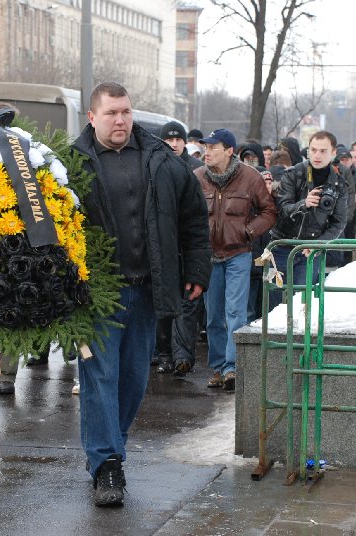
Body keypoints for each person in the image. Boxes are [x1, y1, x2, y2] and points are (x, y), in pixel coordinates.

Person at [71, 82, 211, 507]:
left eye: (126, 112)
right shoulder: (70, 165)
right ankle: (107, 464)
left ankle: (113, 447)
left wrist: (197, 268)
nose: (121, 120)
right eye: (112, 112)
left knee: (133, 380)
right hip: (98, 295)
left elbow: (193, 220)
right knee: (99, 379)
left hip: (147, 289)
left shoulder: (162, 162)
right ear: (92, 117)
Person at [195, 129, 276, 391]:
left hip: (239, 253)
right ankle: (218, 367)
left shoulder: (249, 177)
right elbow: (185, 214)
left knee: (236, 312)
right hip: (209, 255)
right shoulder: (197, 178)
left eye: (213, 147)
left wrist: (248, 231)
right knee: (213, 316)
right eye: (205, 147)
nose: (207, 152)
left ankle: (232, 367)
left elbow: (269, 210)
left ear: (229, 150)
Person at [268, 131, 348, 308]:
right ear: (308, 151)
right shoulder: (293, 174)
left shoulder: (339, 184)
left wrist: (318, 244)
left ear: (333, 153)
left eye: (323, 151)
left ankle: (298, 336)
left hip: (310, 250)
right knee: (273, 300)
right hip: (281, 245)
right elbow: (281, 208)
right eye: (313, 150)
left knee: (302, 304)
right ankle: (274, 336)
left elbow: (339, 222)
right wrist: (304, 204)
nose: (317, 155)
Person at [153, 120, 204, 374]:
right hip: (163, 245)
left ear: (185, 142)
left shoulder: (196, 170)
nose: (173, 144)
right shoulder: (154, 164)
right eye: (169, 140)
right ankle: (163, 353)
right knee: (163, 303)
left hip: (187, 245)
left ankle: (182, 355)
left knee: (187, 303)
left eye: (178, 140)